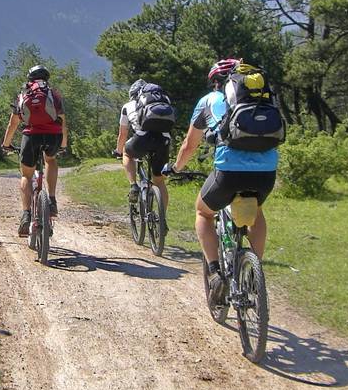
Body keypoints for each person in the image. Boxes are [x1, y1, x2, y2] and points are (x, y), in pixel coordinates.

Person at [166, 58, 278, 306]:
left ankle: (216, 273)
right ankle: (253, 271)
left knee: (203, 212)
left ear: (215, 82)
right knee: (256, 211)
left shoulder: (208, 101)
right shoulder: (262, 97)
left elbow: (189, 145)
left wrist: (175, 168)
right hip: (267, 171)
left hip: (228, 171)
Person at [1, 65, 68, 236]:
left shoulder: (23, 94)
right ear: (46, 79)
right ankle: (51, 200)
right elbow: (62, 122)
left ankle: (26, 215)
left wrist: (6, 144)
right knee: (50, 160)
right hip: (53, 135)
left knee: (26, 175)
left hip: (31, 136)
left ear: (29, 79)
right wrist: (63, 145)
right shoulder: (54, 94)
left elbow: (13, 123)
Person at [115, 78, 170, 214]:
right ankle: (162, 219)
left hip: (142, 138)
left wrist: (118, 151)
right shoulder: (164, 101)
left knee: (127, 153)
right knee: (159, 180)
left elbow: (123, 134)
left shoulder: (128, 106)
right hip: (163, 140)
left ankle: (133, 185)